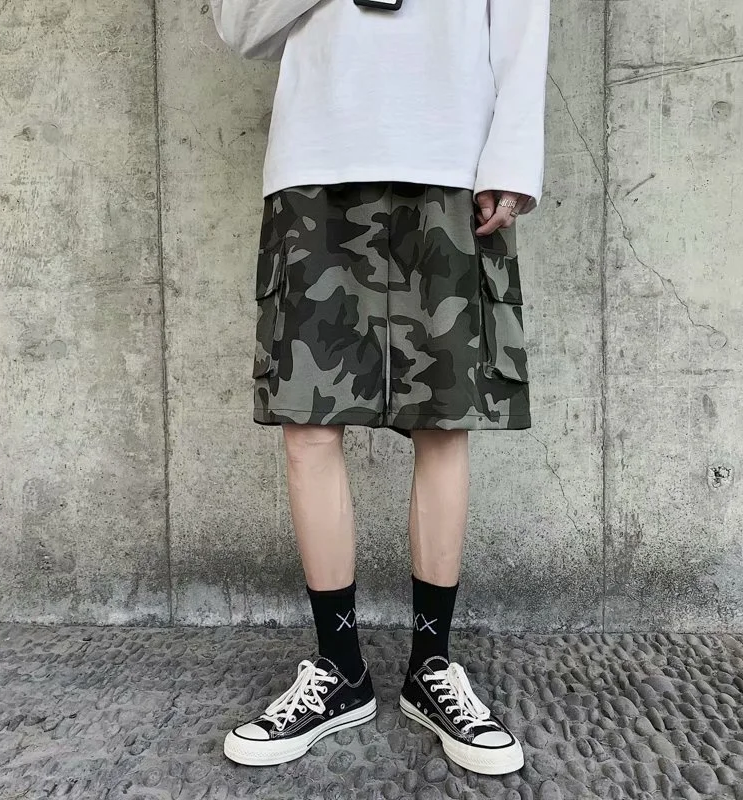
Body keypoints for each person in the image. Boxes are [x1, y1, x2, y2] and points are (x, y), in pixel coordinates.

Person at [209, 0, 550, 775]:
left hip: (450, 161)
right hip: (314, 162)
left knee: (444, 422)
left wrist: (511, 160)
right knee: (307, 425)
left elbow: (523, 17)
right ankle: (340, 671)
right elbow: (239, 27)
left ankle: (432, 667)